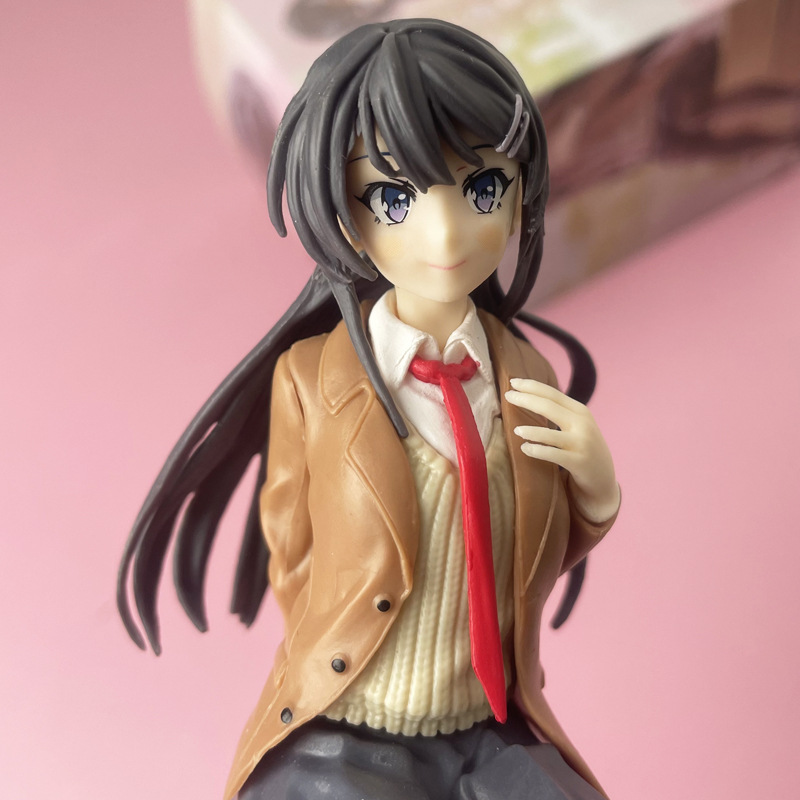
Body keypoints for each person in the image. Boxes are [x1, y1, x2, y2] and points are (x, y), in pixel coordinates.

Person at [118, 19, 620, 800]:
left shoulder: (524, 376)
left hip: (488, 723)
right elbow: (294, 554)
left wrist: (595, 493)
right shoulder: (312, 384)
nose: (445, 233)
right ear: (343, 214)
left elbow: (532, 555)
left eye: (483, 188)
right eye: (393, 198)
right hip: (355, 721)